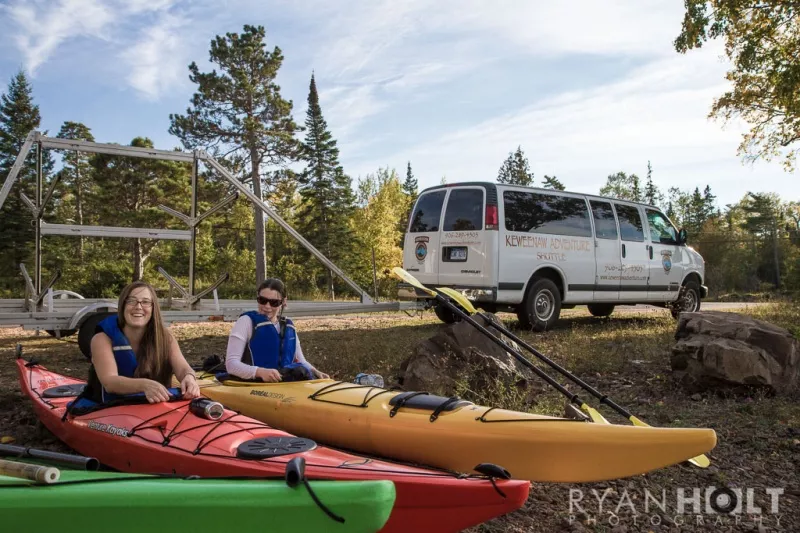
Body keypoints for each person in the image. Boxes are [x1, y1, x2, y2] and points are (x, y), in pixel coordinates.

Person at [86, 281, 201, 404]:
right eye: (131, 301)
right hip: (111, 409)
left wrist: (189, 377)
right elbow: (110, 382)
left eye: (145, 302)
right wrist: (144, 385)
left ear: (153, 308)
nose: (138, 307)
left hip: (157, 408)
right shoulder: (102, 339)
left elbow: (182, 368)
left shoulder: (166, 338)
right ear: (122, 306)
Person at [226, 278, 329, 382]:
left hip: (282, 385)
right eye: (262, 300)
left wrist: (314, 371)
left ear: (283, 302)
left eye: (274, 303)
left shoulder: (288, 326)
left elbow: (301, 360)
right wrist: (260, 372)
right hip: (253, 385)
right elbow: (231, 364)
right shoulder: (246, 322)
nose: (267, 306)